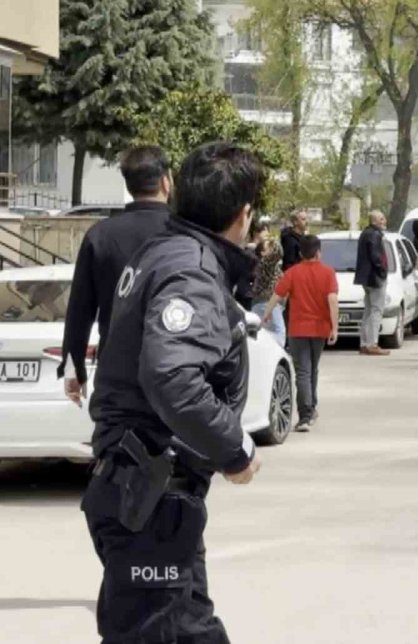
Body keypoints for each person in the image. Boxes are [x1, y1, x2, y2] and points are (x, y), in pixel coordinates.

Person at [82, 142, 264, 643]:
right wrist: (235, 448)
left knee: (177, 628)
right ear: (243, 214)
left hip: (150, 494)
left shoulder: (166, 252)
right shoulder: (189, 270)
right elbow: (173, 378)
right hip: (150, 493)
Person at [59, 146, 173, 408]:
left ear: (129, 185)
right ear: (166, 182)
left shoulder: (100, 235)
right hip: (175, 373)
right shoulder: (186, 233)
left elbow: (79, 310)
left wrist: (74, 366)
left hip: (117, 376)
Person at [263, 235, 338, 431]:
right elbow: (332, 301)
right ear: (318, 252)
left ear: (300, 253)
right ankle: (311, 409)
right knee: (312, 369)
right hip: (320, 329)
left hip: (297, 329)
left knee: (303, 371)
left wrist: (266, 314)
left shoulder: (292, 273)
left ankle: (305, 415)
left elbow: (277, 295)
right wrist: (334, 327)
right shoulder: (328, 272)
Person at [356, 210, 390, 356]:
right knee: (376, 310)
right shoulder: (375, 235)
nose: (384, 221)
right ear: (374, 221)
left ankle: (364, 343)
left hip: (366, 279)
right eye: (381, 219)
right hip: (375, 278)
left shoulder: (365, 233)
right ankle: (372, 343)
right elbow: (377, 257)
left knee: (369, 310)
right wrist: (383, 271)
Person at [249, 223, 286, 347]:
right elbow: (278, 252)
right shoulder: (266, 264)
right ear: (263, 253)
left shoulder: (267, 266)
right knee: (279, 336)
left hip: (264, 303)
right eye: (268, 246)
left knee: (263, 333)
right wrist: (271, 239)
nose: (271, 247)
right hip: (267, 302)